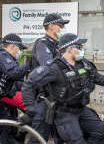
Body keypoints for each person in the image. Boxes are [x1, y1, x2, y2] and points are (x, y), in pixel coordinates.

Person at [22, 33, 104, 144]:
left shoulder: (83, 64)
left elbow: (99, 78)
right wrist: (30, 109)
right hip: (64, 113)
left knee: (102, 131)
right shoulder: (53, 68)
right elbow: (29, 84)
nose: (82, 49)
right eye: (79, 47)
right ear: (70, 49)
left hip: (81, 109)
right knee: (77, 140)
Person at [22, 13, 70, 144]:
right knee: (39, 137)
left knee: (61, 136)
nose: (63, 28)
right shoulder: (43, 44)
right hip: (44, 99)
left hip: (57, 99)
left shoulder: (57, 45)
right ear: (51, 26)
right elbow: (49, 68)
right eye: (60, 25)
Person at [0, 33, 30, 143]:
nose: (20, 52)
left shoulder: (9, 58)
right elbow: (14, 73)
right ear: (12, 46)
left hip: (6, 99)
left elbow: (15, 82)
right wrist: (29, 64)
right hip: (3, 100)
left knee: (11, 128)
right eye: (20, 48)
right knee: (6, 131)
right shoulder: (3, 56)